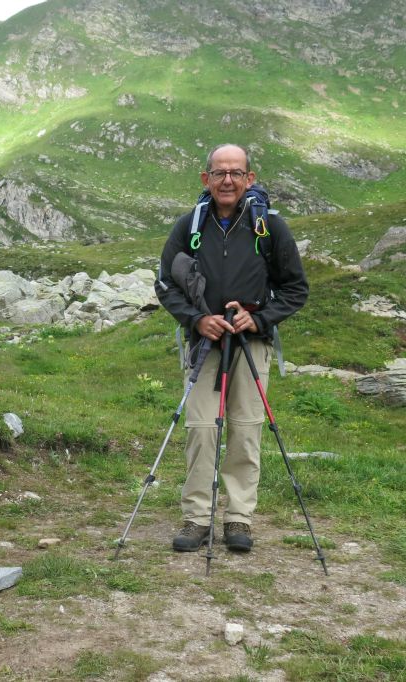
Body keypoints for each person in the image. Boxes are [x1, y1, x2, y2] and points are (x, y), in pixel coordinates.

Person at [155, 143, 308, 553]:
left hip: (250, 342)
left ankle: (238, 519)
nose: (227, 180)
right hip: (205, 342)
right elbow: (166, 284)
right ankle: (196, 517)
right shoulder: (189, 226)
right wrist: (197, 319)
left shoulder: (270, 228)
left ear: (249, 179)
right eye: (219, 173)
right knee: (201, 429)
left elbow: (296, 289)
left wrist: (258, 319)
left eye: (236, 173)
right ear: (205, 179)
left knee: (245, 429)